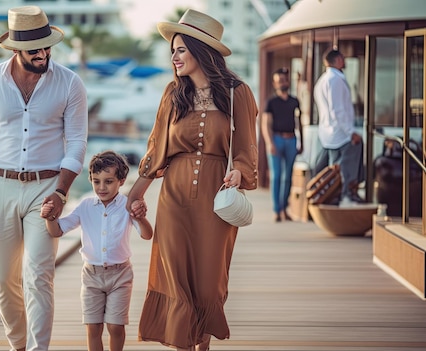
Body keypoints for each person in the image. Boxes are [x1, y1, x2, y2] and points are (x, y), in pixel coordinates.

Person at [125, 9, 258, 351]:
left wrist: (240, 171)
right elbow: (157, 149)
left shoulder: (237, 93)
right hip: (174, 200)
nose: (174, 56)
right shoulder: (173, 94)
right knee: (175, 275)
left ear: (202, 51)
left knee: (209, 279)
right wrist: (135, 193)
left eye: (181, 49)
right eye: (173, 50)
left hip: (218, 199)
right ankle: (186, 342)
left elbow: (247, 147)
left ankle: (202, 343)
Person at [0, 6, 88, 351]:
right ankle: (18, 345)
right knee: (4, 280)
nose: (43, 54)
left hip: (47, 188)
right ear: (15, 49)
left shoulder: (70, 83)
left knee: (38, 275)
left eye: (47, 46)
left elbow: (77, 142)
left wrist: (62, 192)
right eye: (34, 49)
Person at [41, 150, 153, 351]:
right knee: (93, 327)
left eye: (108, 181)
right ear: (90, 179)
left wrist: (140, 216)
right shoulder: (85, 206)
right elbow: (58, 230)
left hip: (120, 275)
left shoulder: (127, 206)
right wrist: (50, 218)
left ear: (122, 180)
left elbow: (147, 235)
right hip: (91, 276)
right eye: (96, 181)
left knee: (115, 326)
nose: (102, 187)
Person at [313, 48, 364, 205]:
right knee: (345, 169)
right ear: (338, 60)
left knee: (335, 169)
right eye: (343, 58)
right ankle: (346, 196)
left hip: (329, 133)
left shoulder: (322, 80)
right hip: (340, 134)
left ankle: (337, 197)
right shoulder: (335, 80)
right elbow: (338, 110)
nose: (345, 61)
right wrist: (350, 133)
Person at [261, 67, 303, 222]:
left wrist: (301, 141)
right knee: (277, 176)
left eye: (284, 80)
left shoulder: (294, 101)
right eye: (279, 81)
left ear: (288, 81)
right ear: (274, 83)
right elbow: (266, 124)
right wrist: (269, 143)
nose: (282, 83)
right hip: (276, 140)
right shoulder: (271, 102)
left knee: (288, 177)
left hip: (291, 139)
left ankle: (285, 208)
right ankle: (277, 210)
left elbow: (299, 123)